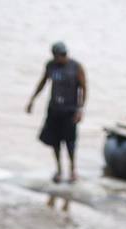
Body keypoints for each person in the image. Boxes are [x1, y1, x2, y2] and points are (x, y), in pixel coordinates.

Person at [26, 41, 87, 183]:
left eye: (64, 55)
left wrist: (80, 109)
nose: (63, 57)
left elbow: (83, 89)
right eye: (60, 55)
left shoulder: (76, 67)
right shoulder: (51, 66)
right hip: (54, 110)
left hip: (70, 110)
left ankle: (73, 171)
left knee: (70, 142)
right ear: (54, 56)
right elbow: (43, 82)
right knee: (55, 141)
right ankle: (59, 170)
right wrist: (32, 100)